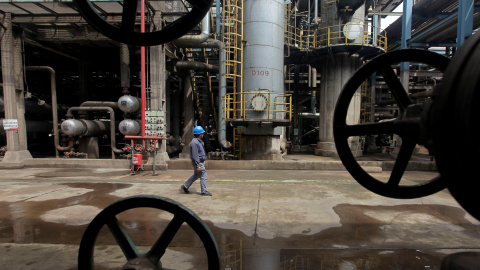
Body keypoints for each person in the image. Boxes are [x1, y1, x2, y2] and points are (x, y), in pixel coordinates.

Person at [180, 126, 212, 196]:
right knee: (203, 175)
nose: (203, 134)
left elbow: (200, 152)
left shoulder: (198, 141)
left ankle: (185, 186)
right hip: (198, 162)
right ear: (199, 134)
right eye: (202, 133)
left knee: (196, 175)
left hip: (200, 161)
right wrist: (198, 165)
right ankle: (204, 191)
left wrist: (203, 160)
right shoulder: (195, 143)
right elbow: (195, 155)